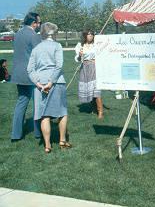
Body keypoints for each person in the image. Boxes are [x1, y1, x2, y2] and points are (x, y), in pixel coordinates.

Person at [27, 22, 71, 154]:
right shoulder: (57, 46)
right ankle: (62, 140)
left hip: (40, 84)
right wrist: (51, 82)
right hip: (56, 82)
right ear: (54, 34)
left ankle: (47, 145)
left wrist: (39, 84)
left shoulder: (36, 49)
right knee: (62, 112)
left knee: (44, 115)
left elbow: (30, 70)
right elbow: (59, 66)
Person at [10, 12, 42, 141]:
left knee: (21, 103)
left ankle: (16, 134)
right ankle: (38, 133)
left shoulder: (17, 34)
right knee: (37, 104)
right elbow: (39, 55)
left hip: (18, 74)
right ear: (33, 23)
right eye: (38, 22)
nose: (39, 25)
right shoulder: (34, 35)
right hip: (31, 75)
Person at [74, 30, 103, 119]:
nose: (90, 36)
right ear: (85, 36)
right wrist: (79, 55)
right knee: (89, 90)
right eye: (88, 34)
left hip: (94, 67)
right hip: (85, 68)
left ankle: (100, 111)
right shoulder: (80, 46)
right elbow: (78, 59)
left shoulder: (96, 44)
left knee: (96, 90)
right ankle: (94, 108)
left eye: (92, 34)